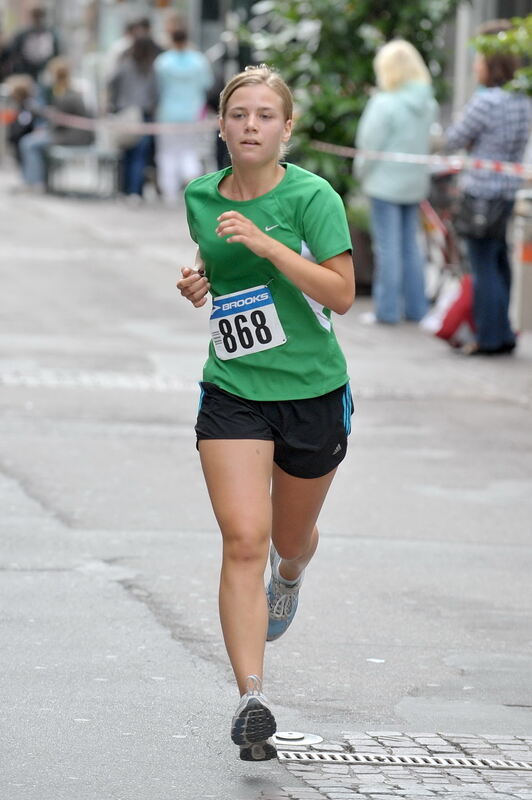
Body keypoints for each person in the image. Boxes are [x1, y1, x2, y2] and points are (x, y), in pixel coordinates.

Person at [176, 65, 355, 762]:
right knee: (243, 539)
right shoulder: (200, 195)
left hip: (312, 392)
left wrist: (269, 245)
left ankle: (292, 576)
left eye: (264, 116)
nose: (250, 126)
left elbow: (340, 293)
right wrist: (201, 278)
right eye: (239, 115)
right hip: (233, 388)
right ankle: (252, 699)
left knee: (288, 540)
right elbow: (215, 255)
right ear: (221, 125)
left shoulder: (313, 197)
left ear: (286, 128)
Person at [445, 20, 532, 356]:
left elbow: (455, 139)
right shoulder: (521, 99)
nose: (475, 65)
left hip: (481, 192)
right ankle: (504, 333)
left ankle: (489, 337)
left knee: (482, 266)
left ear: (490, 63)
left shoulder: (487, 102)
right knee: (499, 263)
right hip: (507, 192)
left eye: (479, 59)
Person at [355, 39, 438, 325]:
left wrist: (360, 173)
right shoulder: (427, 102)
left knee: (387, 248)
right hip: (414, 184)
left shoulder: (384, 102)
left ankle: (386, 311)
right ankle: (417, 309)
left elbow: (369, 145)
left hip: (384, 184)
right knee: (411, 247)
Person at [153, 27, 213, 203]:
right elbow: (207, 84)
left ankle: (169, 193)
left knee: (167, 153)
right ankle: (191, 184)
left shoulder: (163, 62)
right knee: (190, 151)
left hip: (167, 113)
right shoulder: (199, 61)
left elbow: (157, 87)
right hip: (193, 113)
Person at [17, 57, 93, 192]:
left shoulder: (67, 94)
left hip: (72, 136)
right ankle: (36, 180)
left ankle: (34, 182)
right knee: (32, 142)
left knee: (28, 143)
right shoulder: (64, 91)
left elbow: (60, 120)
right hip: (67, 133)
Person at [107, 36, 158, 200]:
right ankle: (135, 191)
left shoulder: (124, 66)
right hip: (142, 116)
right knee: (139, 156)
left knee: (124, 155)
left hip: (124, 114)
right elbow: (154, 93)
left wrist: (113, 104)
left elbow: (111, 83)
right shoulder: (150, 69)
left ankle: (123, 189)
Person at [8, 5, 60, 81]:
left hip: (46, 71)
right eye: (35, 16)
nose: (37, 19)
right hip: (25, 70)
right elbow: (14, 54)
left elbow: (55, 54)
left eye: (39, 16)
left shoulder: (50, 34)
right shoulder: (22, 35)